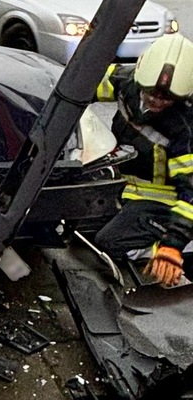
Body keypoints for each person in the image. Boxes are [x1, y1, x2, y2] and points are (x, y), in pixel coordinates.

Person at [93, 34, 193, 287]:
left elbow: (191, 192)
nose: (156, 101)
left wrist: (173, 245)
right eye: (151, 93)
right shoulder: (125, 80)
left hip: (165, 203)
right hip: (123, 185)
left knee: (109, 242)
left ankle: (170, 258)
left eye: (167, 98)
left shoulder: (185, 127)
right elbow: (81, 85)